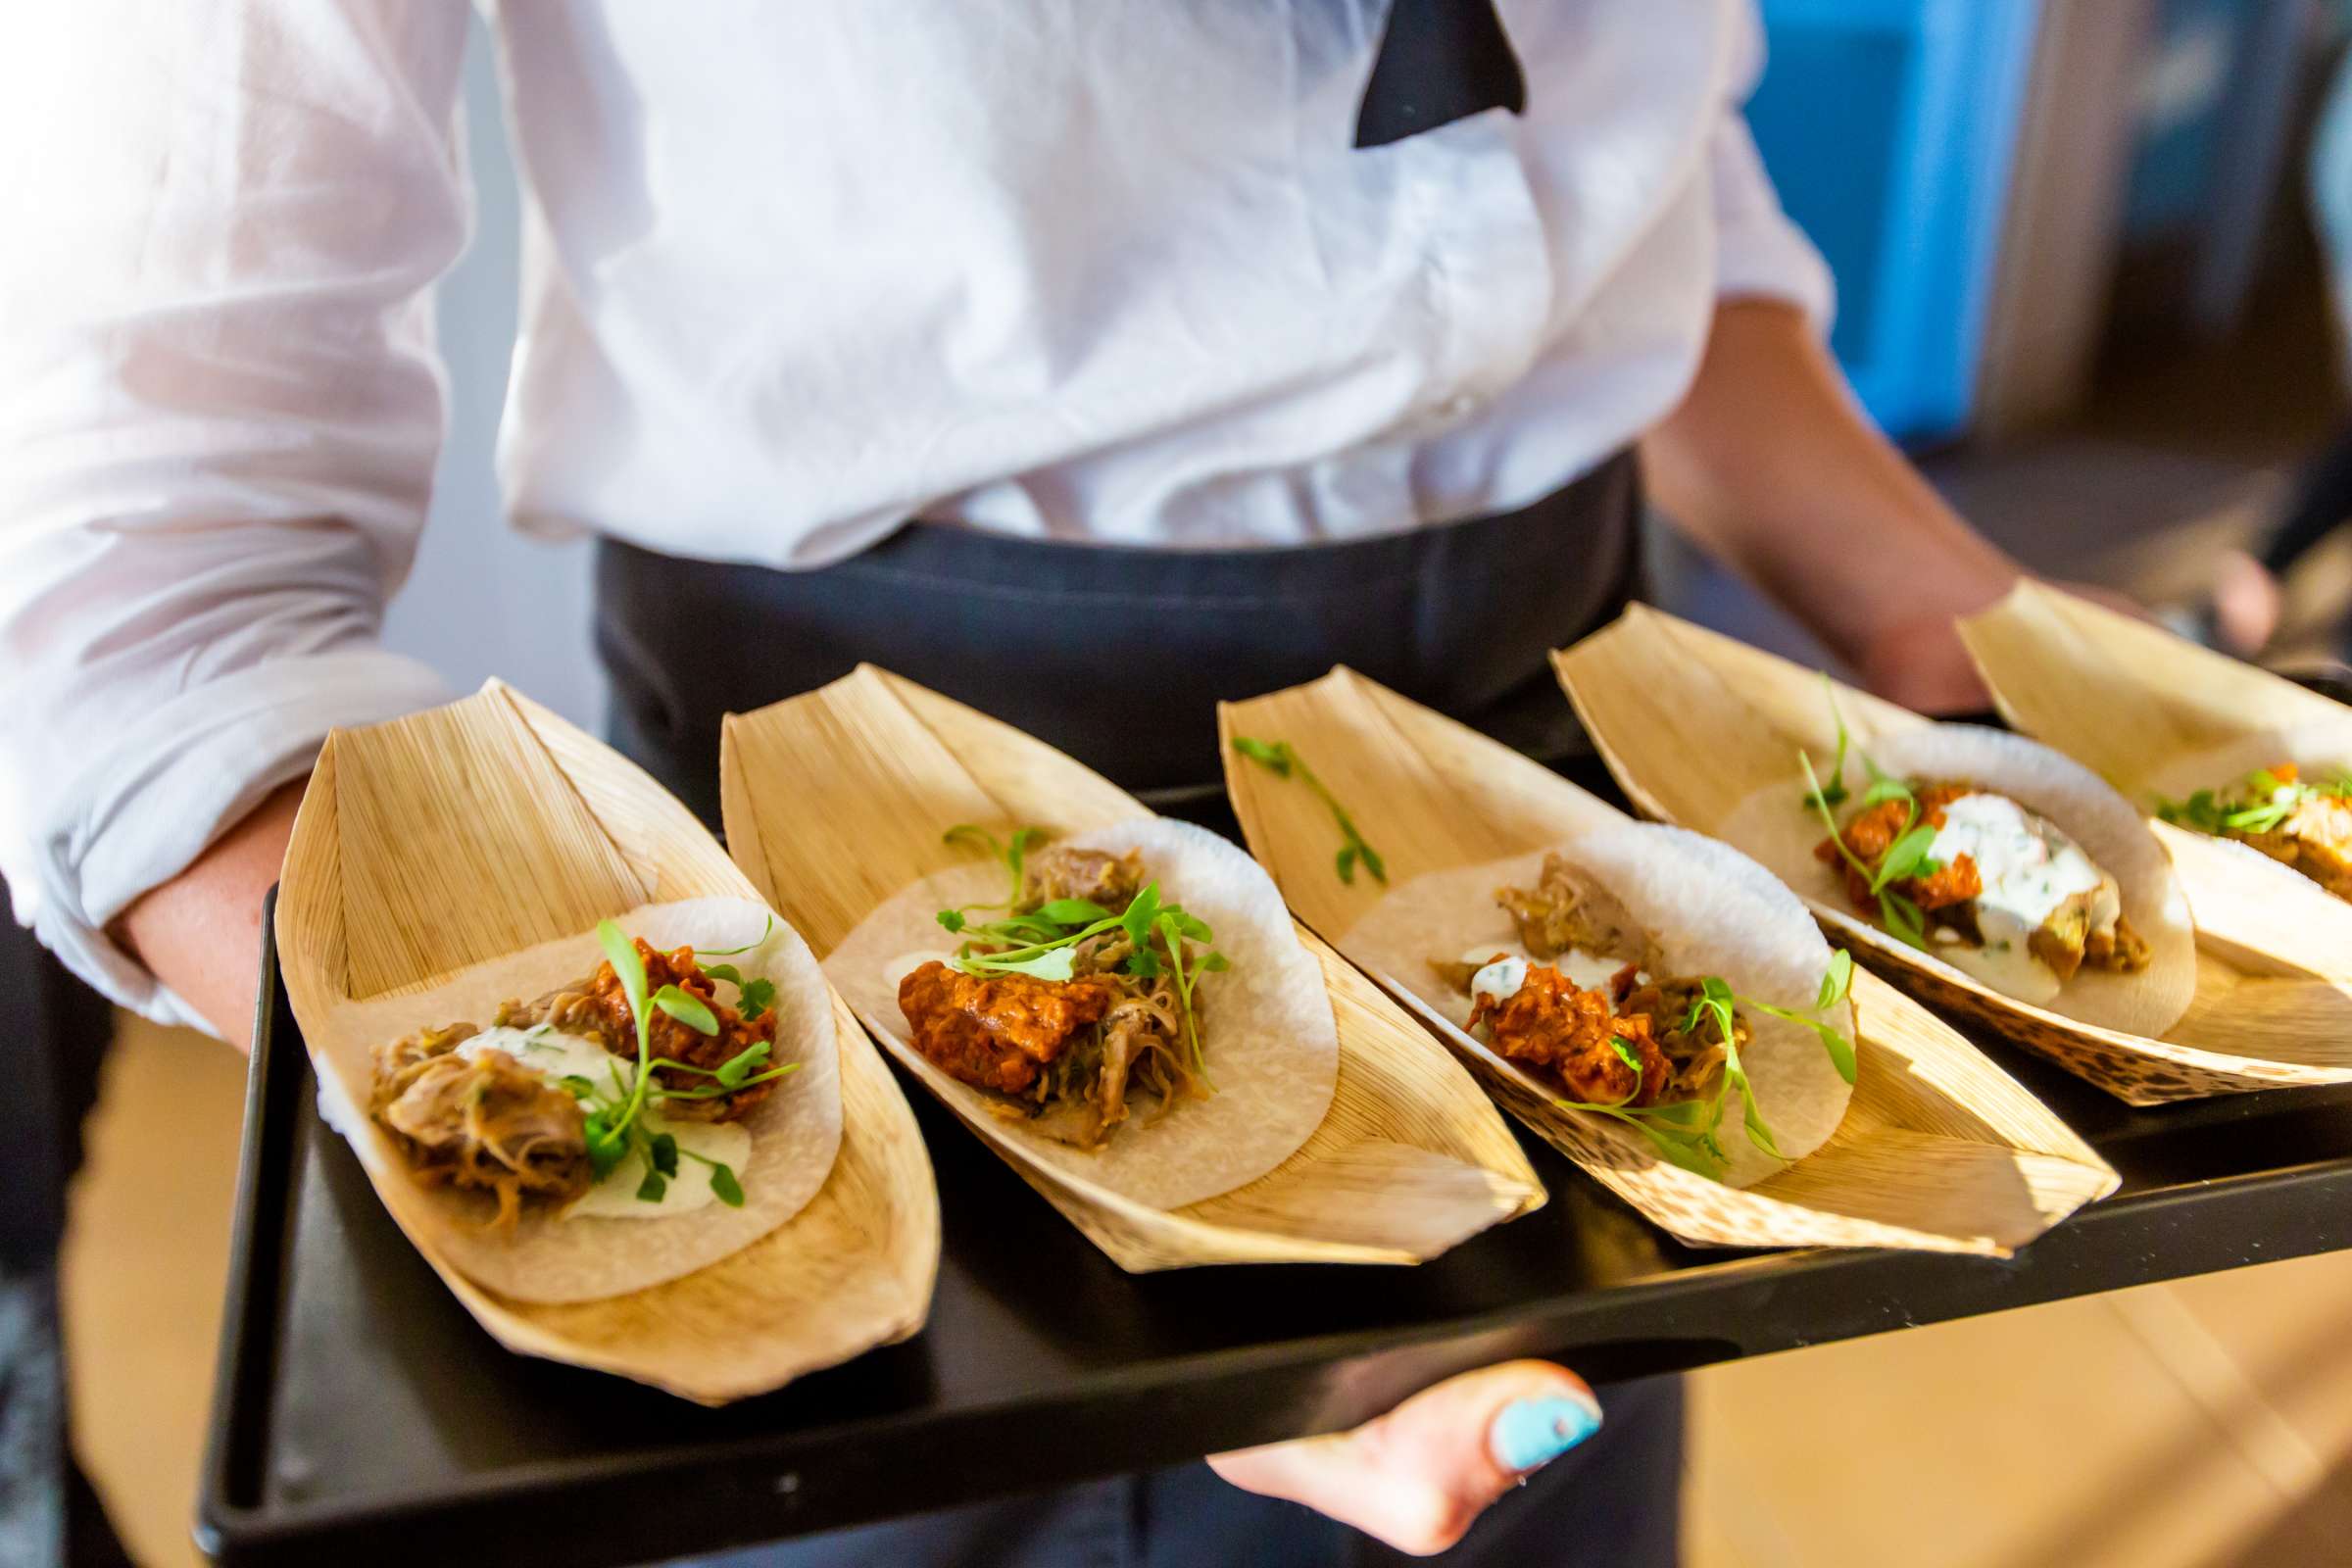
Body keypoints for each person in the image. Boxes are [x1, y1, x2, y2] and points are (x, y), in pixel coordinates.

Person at [0, 4, 2050, 1563]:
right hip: (830, 971)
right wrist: (623, 1107)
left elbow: (1630, 151)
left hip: (1565, 866)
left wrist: (1935, 602)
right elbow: (153, 586)